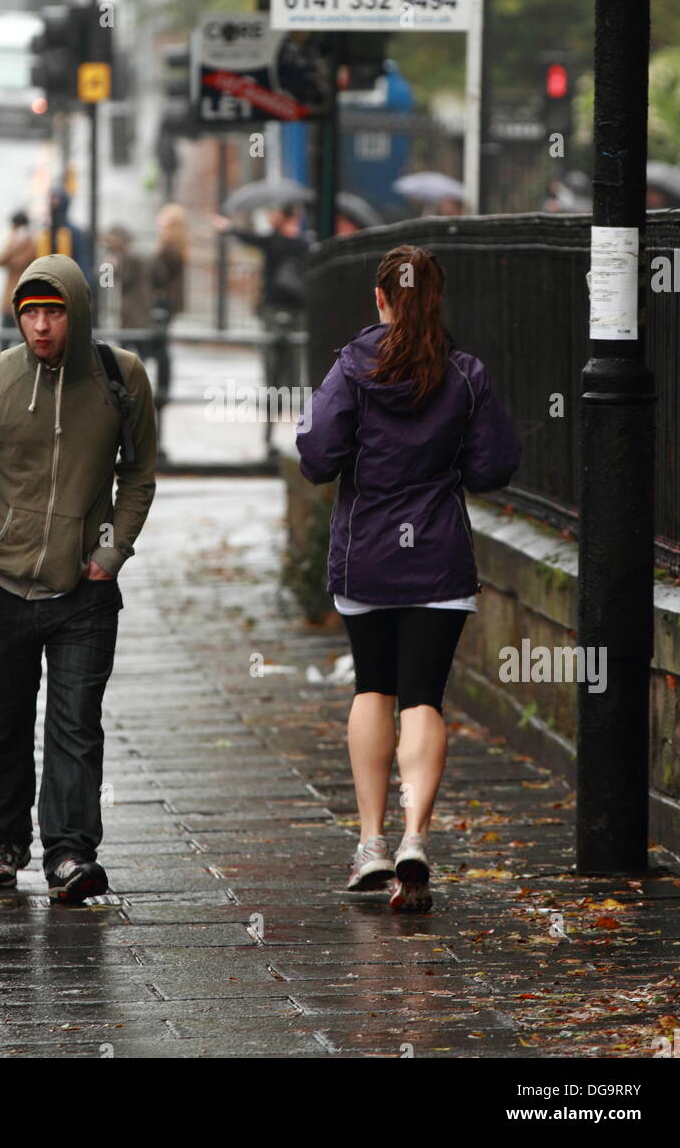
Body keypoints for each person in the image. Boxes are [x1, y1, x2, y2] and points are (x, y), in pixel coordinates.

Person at [295, 245, 521, 913]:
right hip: (438, 556)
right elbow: (492, 465)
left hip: (366, 554)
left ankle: (370, 841)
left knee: (374, 685)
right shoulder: (465, 374)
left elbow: (316, 455)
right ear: (436, 300)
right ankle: (416, 837)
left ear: (380, 298)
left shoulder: (352, 367)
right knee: (423, 696)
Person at [0, 254, 157, 903]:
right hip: (0, 580)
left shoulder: (121, 377)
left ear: (77, 313)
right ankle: (5, 842)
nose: (42, 327)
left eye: (54, 312)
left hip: (85, 587)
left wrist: (111, 551)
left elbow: (138, 475)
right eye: (30, 314)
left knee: (76, 722)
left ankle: (69, 853)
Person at [212, 203, 309, 388]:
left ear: (282, 216)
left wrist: (229, 228)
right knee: (295, 353)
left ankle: (274, 397)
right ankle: (291, 396)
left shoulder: (273, 241)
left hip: (274, 304)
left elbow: (248, 238)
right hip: (298, 305)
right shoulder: (305, 244)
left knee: (272, 352)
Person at [149, 203, 189, 402]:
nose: (159, 220)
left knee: (160, 346)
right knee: (160, 344)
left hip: (164, 301)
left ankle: (163, 388)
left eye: (163, 217)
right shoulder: (176, 245)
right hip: (169, 302)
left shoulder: (169, 247)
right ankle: (163, 386)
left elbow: (160, 275)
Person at [101, 225, 153, 359]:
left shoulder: (128, 256)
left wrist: (112, 267)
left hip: (133, 306)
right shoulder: (137, 253)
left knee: (129, 343)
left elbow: (125, 278)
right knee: (135, 344)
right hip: (139, 304)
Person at [0, 211, 36, 335]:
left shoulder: (32, 243)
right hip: (12, 300)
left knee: (22, 338)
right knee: (5, 338)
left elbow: (21, 262)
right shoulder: (14, 242)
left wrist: (14, 246)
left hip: (24, 298)